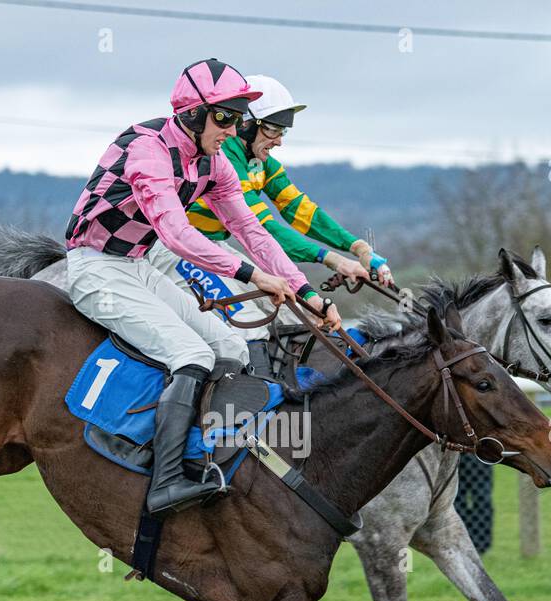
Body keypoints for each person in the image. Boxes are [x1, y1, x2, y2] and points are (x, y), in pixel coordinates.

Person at [64, 58, 343, 516]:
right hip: (95, 268)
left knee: (230, 345)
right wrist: (253, 276)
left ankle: (204, 455)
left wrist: (309, 296)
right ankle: (165, 482)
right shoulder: (147, 149)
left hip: (137, 267)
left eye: (238, 120)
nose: (233, 131)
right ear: (193, 114)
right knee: (191, 354)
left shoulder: (211, 163)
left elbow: (253, 230)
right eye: (226, 118)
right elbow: (176, 232)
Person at [143, 74, 394, 378]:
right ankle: (252, 413)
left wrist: (359, 248)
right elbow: (264, 230)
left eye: (283, 130)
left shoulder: (260, 163)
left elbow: (301, 210)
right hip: (174, 250)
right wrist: (334, 260)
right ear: (246, 123)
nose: (279, 140)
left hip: (215, 249)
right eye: (273, 128)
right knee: (247, 326)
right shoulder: (224, 160)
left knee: (296, 311)